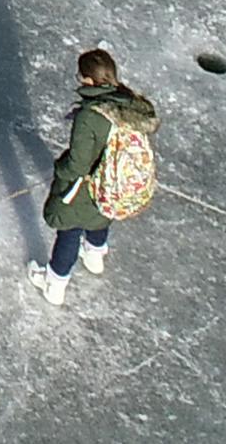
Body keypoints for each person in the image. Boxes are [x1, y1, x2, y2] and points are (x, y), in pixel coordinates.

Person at [36, 50, 162, 301]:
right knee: (101, 215)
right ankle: (95, 255)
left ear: (90, 82)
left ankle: (54, 285)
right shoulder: (128, 105)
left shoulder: (90, 116)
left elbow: (78, 164)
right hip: (114, 182)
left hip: (87, 185)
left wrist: (60, 168)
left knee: (70, 228)